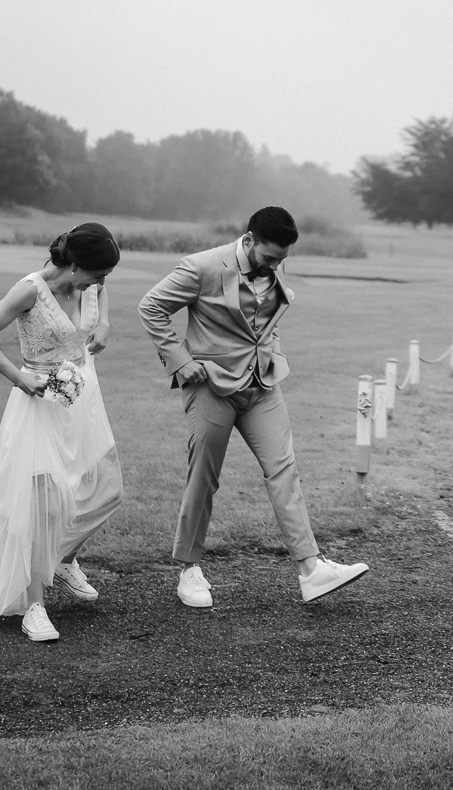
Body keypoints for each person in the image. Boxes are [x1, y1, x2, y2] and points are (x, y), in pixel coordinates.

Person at [138, 205, 367, 608]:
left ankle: (311, 571)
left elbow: (266, 319)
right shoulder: (201, 267)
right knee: (203, 477)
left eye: (281, 260)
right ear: (248, 241)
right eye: (269, 257)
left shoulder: (272, 264)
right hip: (211, 386)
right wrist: (181, 361)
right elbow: (151, 307)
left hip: (263, 386)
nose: (275, 265)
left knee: (284, 470)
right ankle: (189, 571)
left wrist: (272, 349)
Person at [0, 223, 125, 642]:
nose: (101, 284)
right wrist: (18, 377)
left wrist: (103, 324)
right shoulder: (30, 290)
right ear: (76, 265)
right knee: (41, 507)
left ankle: (63, 559)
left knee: (107, 488)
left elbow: (99, 294)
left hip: (84, 399)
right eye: (97, 275)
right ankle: (34, 606)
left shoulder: (88, 285)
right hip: (40, 402)